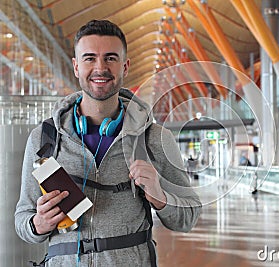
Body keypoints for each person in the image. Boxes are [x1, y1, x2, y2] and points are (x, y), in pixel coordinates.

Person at [14, 20, 201, 267]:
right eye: (89, 58)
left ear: (125, 66)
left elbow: (187, 217)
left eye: (110, 58)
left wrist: (160, 197)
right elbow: (22, 219)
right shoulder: (45, 139)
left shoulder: (154, 139)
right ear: (76, 67)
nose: (100, 68)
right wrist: (37, 225)